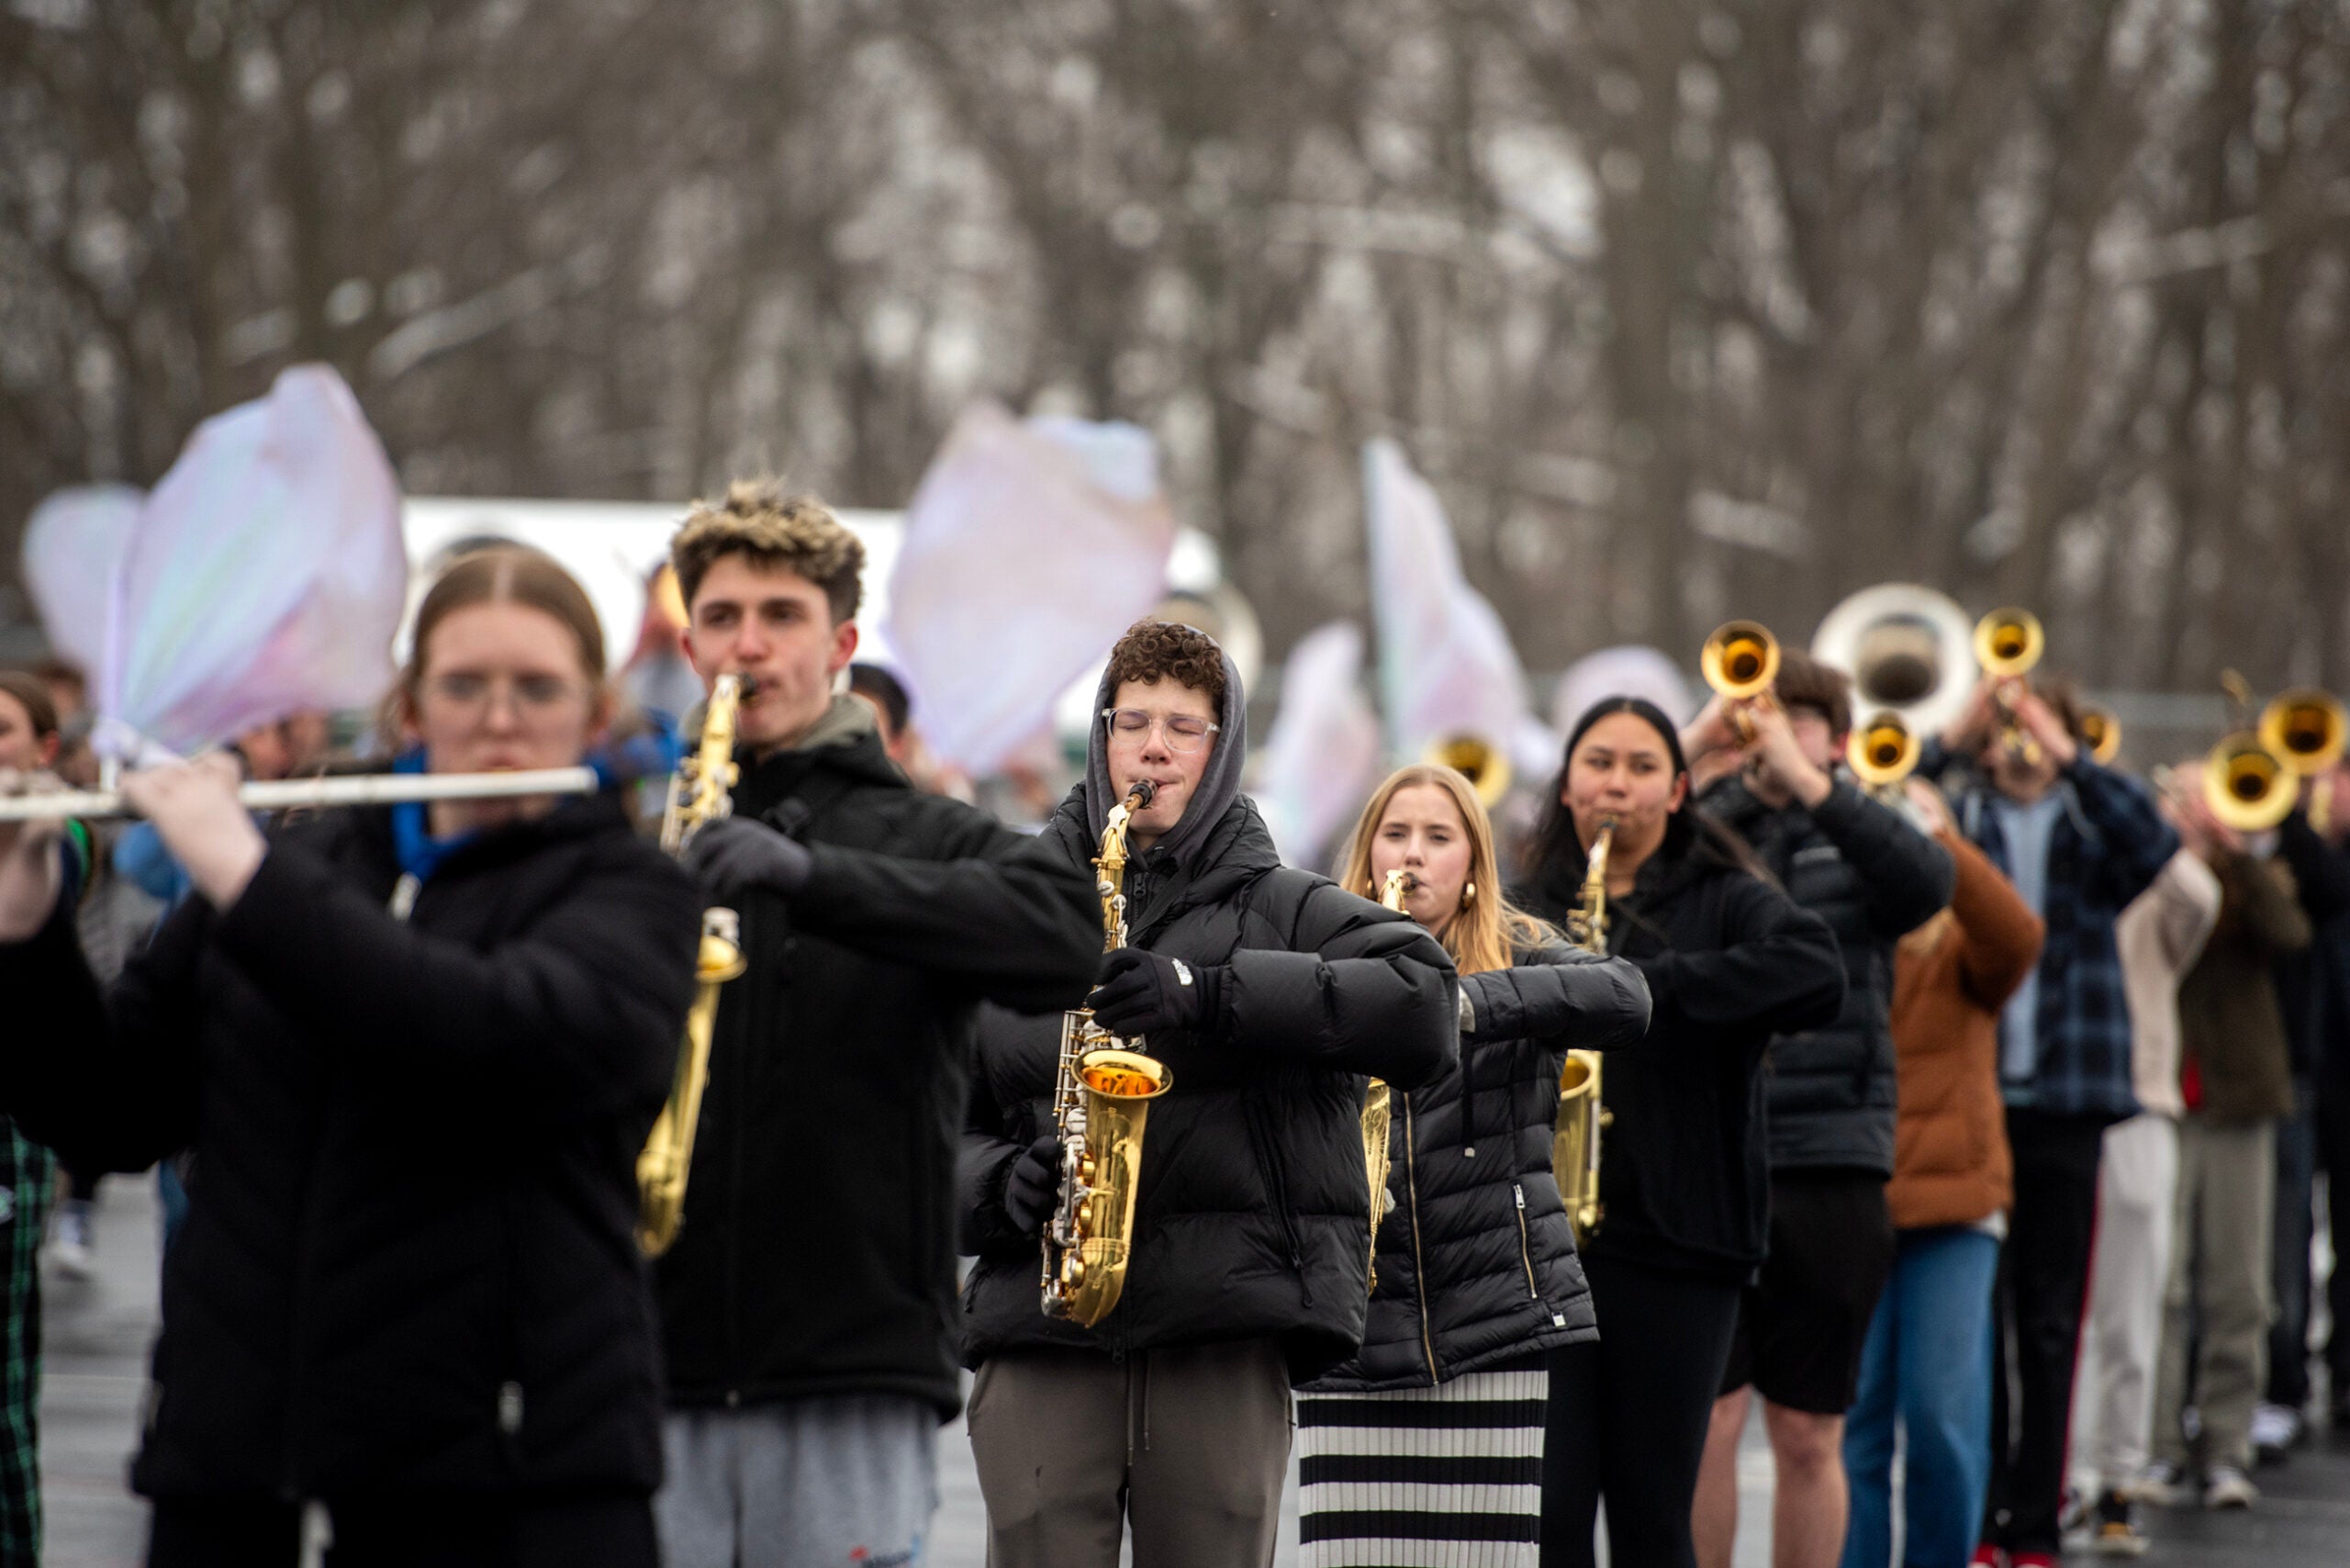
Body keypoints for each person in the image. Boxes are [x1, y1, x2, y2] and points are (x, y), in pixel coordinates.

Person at [0, 549, 703, 1566]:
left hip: (508, 1478)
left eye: (536, 688)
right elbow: (110, 1109)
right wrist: (27, 934)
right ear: (410, 707)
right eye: (465, 684)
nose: (499, 718)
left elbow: (483, 1036)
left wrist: (245, 873)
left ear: (593, 714)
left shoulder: (631, 894)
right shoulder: (294, 866)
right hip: (235, 1468)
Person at [646, 481, 1101, 1568]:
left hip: (849, 1357)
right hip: (651, 1356)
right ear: (690, 639)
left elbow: (1067, 933)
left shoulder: (929, 832)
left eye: (781, 616)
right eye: (720, 617)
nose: (746, 644)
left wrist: (812, 876)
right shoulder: (646, 834)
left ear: (840, 640)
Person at [957, 618, 1460, 1568]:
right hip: (1044, 1322)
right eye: (1131, 720)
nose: (1153, 745)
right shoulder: (1011, 902)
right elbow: (932, 1117)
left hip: (1220, 1338)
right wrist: (992, 1185)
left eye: (1183, 727)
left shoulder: (1287, 903)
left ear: (1221, 749)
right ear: (1101, 737)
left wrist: (1211, 993)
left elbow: (1422, 1003)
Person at [1296, 764, 1651, 1566]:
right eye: (1395, 834)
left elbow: (1626, 997)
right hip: (1350, 1333)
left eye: (1437, 837)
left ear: (1473, 866)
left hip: (1492, 1325)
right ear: (1365, 854)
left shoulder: (1518, 948)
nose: (1412, 855)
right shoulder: (1315, 954)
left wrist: (1466, 1003)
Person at [1519, 697, 1845, 1568]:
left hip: (1680, 1247)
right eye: (1597, 763)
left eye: (1640, 767)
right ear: (1566, 785)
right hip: (1542, 1250)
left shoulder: (1726, 893)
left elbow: (1818, 971)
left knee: (1655, 1515)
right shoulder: (1523, 903)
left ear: (1678, 790)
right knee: (1547, 1520)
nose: (1616, 784)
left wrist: (1633, 989)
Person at [1684, 652, 1955, 1568]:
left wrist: (1811, 785)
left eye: (1794, 719)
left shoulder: (1871, 821)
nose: (1769, 732)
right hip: (1714, 1153)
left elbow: (1926, 883)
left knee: (1806, 1432)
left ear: (1834, 737)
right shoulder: (1722, 824)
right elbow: (1626, 857)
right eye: (1759, 715)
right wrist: (1698, 744)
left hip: (1830, 1156)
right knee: (1707, 1421)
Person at [1920, 673, 2177, 1568]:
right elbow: (1879, 811)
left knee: (2050, 1316)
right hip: (1979, 1099)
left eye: (2033, 729)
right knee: (1978, 1321)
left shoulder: (2090, 823)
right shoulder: (1957, 816)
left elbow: (2157, 841)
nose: (2019, 744)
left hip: (2067, 1102)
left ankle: (2036, 1519)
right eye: (2009, 729)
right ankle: (1987, 1515)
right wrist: (1955, 734)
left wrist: (2066, 750)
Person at [1841, 780, 2043, 1568]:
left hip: (1955, 1211)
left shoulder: (1960, 941)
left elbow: (2018, 937)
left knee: (1940, 1421)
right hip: (1856, 1203)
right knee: (1853, 1428)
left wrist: (1941, 842)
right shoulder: (1845, 929)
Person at [2146, 767, 2311, 1510]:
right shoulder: (2150, 865)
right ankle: (2157, 1446)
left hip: (2241, 1101)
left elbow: (2289, 934)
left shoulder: (2257, 876)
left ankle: (2226, 1444)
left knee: (2239, 1287)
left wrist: (2232, 849)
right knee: (2165, 1285)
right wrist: (2168, 843)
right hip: (2165, 1098)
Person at [2067, 814, 2221, 1552]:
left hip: (2138, 1108)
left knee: (2130, 1310)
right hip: (2058, 1107)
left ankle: (2117, 1479)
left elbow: (2201, 893)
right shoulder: (2054, 871)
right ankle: (2063, 1474)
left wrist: (2149, 824)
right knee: (2052, 1313)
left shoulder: (2156, 902)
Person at [2255, 768, 2350, 1456]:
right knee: (2285, 1231)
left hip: (2339, 1064)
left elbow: (2329, 886)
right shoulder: (2288, 846)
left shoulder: (2317, 856)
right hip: (2296, 1063)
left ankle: (2343, 1373)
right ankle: (2281, 1378)